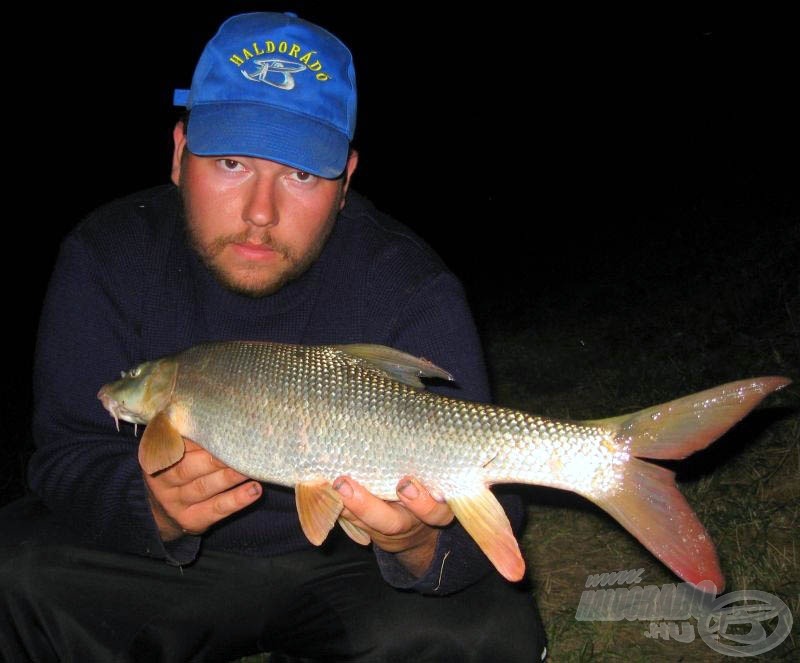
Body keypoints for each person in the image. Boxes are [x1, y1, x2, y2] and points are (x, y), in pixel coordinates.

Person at [0, 12, 546, 661]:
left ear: (345, 180)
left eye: (301, 174)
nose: (261, 212)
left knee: (491, 632)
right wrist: (150, 508)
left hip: (351, 565)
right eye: (231, 161)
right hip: (162, 574)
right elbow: (64, 455)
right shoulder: (108, 256)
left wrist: (415, 544)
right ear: (179, 153)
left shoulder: (408, 285)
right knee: (13, 570)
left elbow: (490, 507)